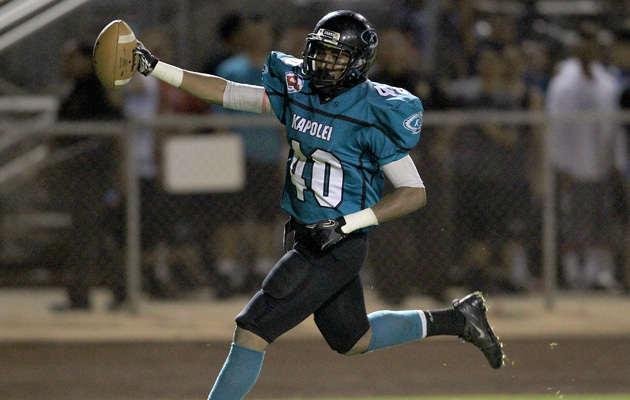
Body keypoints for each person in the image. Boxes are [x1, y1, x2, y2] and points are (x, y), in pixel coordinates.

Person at [133, 10, 504, 399]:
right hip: (303, 232)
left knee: (252, 329)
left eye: (336, 56)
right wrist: (155, 68)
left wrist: (347, 224)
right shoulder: (301, 91)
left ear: (358, 61)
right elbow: (226, 91)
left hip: (335, 244)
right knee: (353, 338)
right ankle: (460, 319)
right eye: (321, 52)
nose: (324, 62)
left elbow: (414, 192)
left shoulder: (373, 111)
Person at [546, 22, 629, 290]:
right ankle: (572, 276)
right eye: (585, 41)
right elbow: (556, 126)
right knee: (573, 222)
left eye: (594, 42)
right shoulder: (564, 82)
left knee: (599, 221)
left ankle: (594, 275)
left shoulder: (606, 81)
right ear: (576, 45)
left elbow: (614, 126)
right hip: (574, 165)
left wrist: (617, 161)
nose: (589, 47)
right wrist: (560, 164)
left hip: (602, 163)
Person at [50, 40, 126, 311]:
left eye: (72, 59)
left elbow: (119, 136)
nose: (67, 64)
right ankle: (120, 290)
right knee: (91, 232)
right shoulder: (72, 91)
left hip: (96, 173)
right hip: (75, 173)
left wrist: (119, 179)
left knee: (88, 233)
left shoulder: (101, 89)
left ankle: (83, 295)